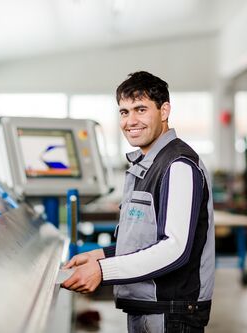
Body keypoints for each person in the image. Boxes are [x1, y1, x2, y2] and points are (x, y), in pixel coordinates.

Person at [62, 71, 215, 333]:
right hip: (150, 309)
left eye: (141, 109)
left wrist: (102, 270)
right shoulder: (148, 164)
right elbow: (146, 241)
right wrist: (98, 255)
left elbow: (174, 249)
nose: (130, 121)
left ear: (164, 110)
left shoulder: (177, 164)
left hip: (171, 314)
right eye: (124, 112)